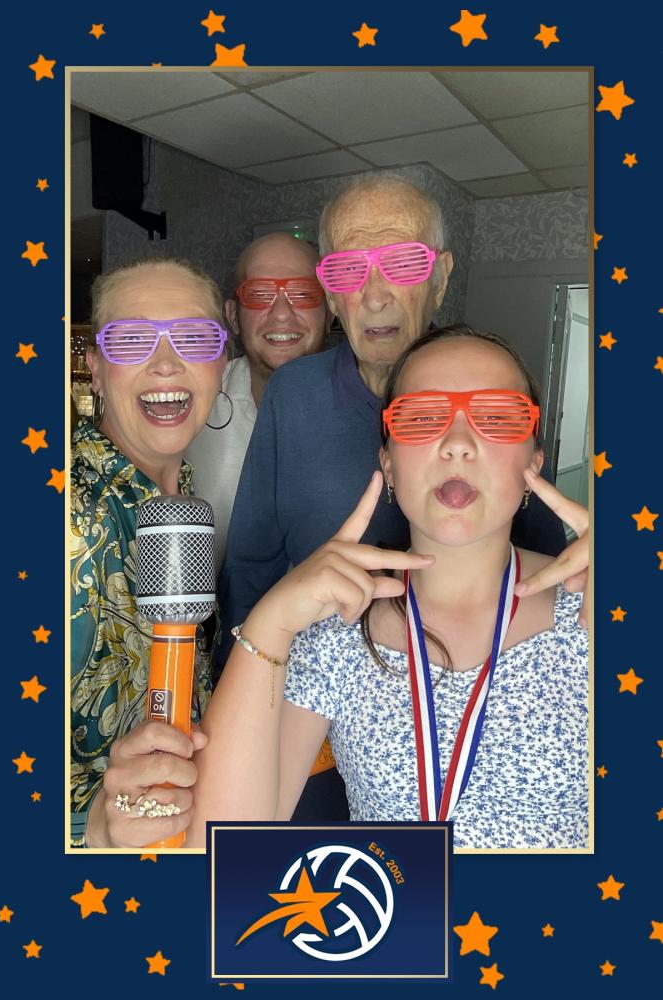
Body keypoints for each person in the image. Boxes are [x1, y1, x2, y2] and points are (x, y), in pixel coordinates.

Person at [217, 174, 589, 820]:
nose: (375, 293)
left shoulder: (497, 398)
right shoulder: (293, 393)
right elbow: (252, 559)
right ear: (332, 294)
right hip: (315, 701)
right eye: (349, 270)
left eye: (403, 263)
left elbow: (544, 561)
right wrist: (252, 683)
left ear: (439, 279)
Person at [187, 327, 589, 849]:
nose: (458, 444)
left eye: (496, 418)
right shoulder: (337, 630)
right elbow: (219, 850)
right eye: (421, 418)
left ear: (533, 461)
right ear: (388, 463)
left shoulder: (596, 613)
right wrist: (271, 622)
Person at [70, 258, 228, 848]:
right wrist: (90, 828)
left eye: (195, 338)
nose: (166, 362)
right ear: (95, 367)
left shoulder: (179, 495)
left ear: (221, 364)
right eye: (131, 339)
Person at [186, 232, 331, 568]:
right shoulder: (191, 403)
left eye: (303, 293)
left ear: (330, 311)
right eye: (259, 294)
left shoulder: (374, 414)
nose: (281, 314)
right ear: (233, 315)